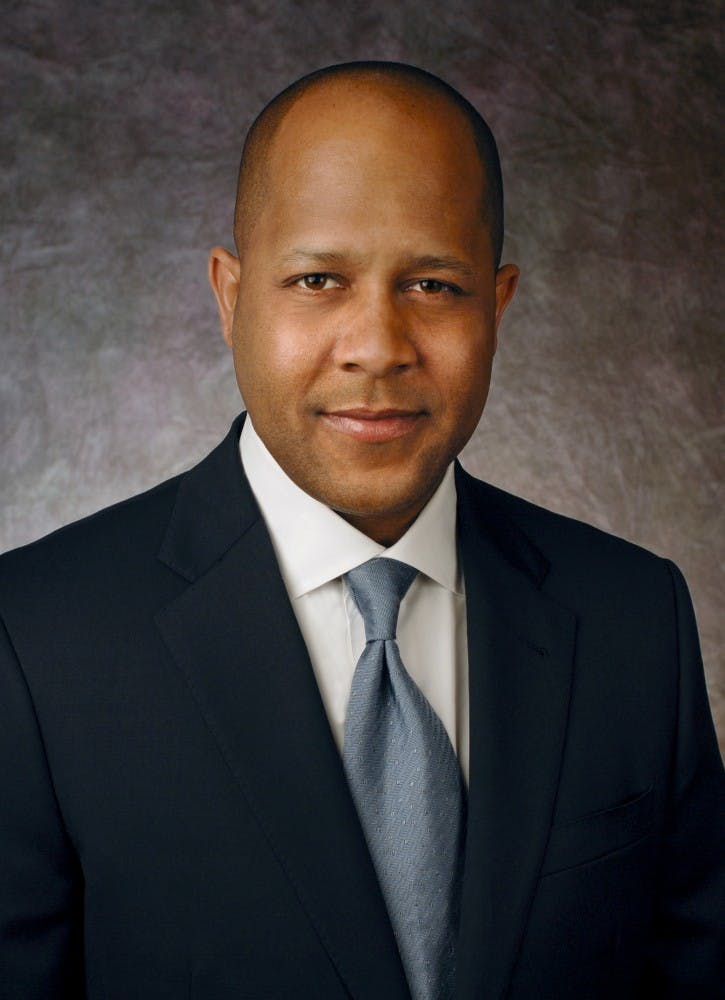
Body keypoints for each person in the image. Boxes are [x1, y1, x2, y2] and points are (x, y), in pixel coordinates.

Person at [0, 60, 722, 1000]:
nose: (377, 345)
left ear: (497, 307)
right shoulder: (36, 637)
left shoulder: (632, 615)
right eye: (317, 279)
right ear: (229, 297)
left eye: (432, 284)